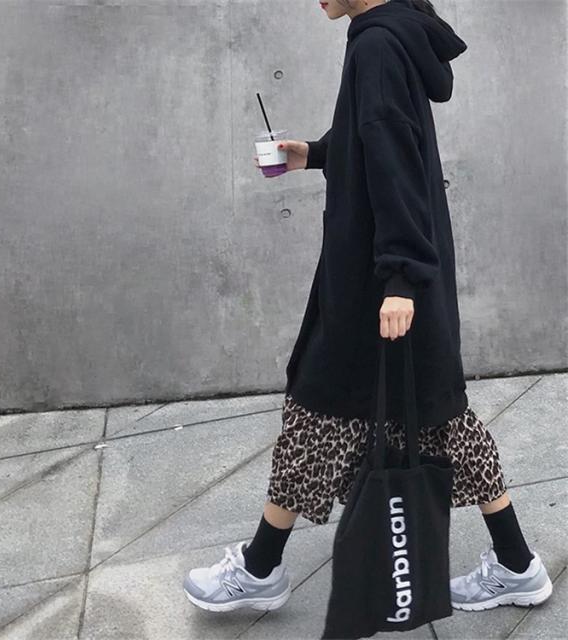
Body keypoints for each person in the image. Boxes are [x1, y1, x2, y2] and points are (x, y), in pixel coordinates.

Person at [183, 0, 553, 616]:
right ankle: (516, 563)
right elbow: (375, 137)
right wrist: (315, 152)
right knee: (437, 416)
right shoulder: (391, 36)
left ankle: (260, 568)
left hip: (377, 283)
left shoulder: (377, 44)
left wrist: (400, 278)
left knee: (321, 406)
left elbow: (395, 161)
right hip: (392, 276)